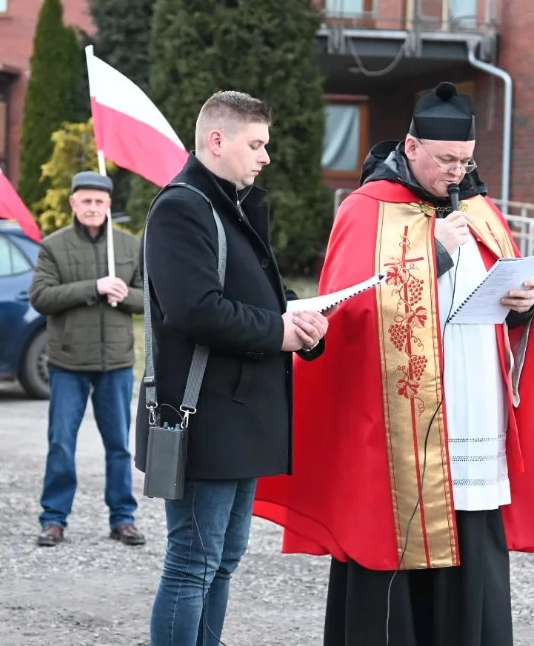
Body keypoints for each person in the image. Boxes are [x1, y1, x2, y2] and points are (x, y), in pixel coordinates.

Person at [252, 82, 534, 646]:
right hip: (396, 428)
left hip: (473, 413)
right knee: (391, 546)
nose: (457, 172)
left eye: (466, 161)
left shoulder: (480, 210)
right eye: (446, 160)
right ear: (412, 146)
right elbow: (349, 311)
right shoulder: (368, 210)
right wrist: (439, 252)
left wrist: (523, 305)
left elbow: (503, 304)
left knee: (472, 543)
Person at [135, 90, 331, 646]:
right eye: (257, 144)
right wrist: (278, 331)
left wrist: (301, 317)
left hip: (238, 414)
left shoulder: (229, 204)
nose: (265, 156)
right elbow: (193, 308)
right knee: (193, 561)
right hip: (203, 415)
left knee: (222, 559)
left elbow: (256, 295)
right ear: (216, 141)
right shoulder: (182, 206)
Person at [29, 171, 145, 548]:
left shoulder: (129, 246)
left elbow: (150, 299)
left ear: (109, 204)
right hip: (68, 363)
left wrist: (123, 295)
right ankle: (54, 519)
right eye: (86, 201)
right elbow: (41, 297)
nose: (93, 207)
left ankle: (123, 519)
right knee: (62, 442)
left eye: (99, 201)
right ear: (73, 204)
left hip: (116, 363)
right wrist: (93, 288)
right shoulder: (53, 246)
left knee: (119, 446)